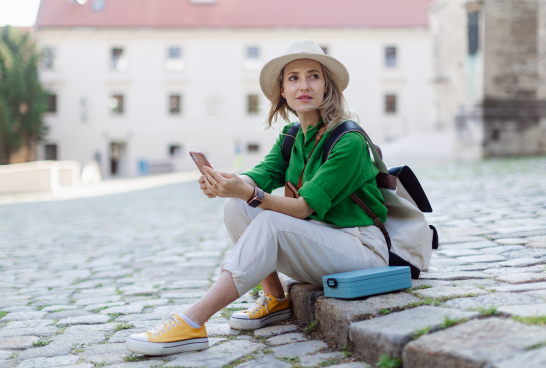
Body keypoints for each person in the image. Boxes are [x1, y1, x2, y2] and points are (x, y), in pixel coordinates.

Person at [125, 40, 388, 356]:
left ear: (327, 85)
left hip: (362, 250)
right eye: (293, 77)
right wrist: (227, 183)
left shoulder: (349, 140)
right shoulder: (292, 136)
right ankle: (275, 300)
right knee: (235, 206)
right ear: (282, 90)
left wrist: (249, 192)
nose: (303, 85)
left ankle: (192, 320)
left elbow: (303, 209)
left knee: (270, 220)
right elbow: (259, 176)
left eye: (313, 76)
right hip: (325, 246)